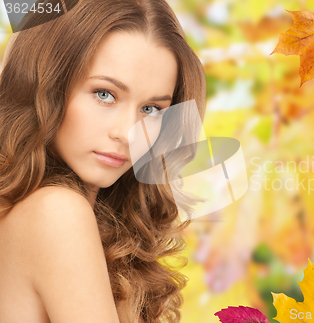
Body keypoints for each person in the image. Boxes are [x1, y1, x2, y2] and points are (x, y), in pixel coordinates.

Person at [0, 0, 206, 322]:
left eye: (151, 109)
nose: (127, 133)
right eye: (105, 94)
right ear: (46, 84)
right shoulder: (56, 211)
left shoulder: (28, 208)